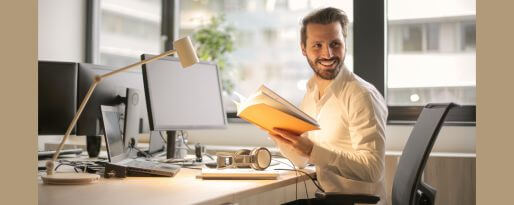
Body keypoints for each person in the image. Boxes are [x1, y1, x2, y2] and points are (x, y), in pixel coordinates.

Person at [269, 7, 388, 204]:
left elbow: (373, 169)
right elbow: (302, 160)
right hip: (330, 199)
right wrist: (280, 137)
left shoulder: (361, 95)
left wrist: (312, 151)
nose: (328, 54)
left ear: (345, 45)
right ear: (303, 48)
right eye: (317, 45)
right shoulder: (311, 91)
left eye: (335, 44)